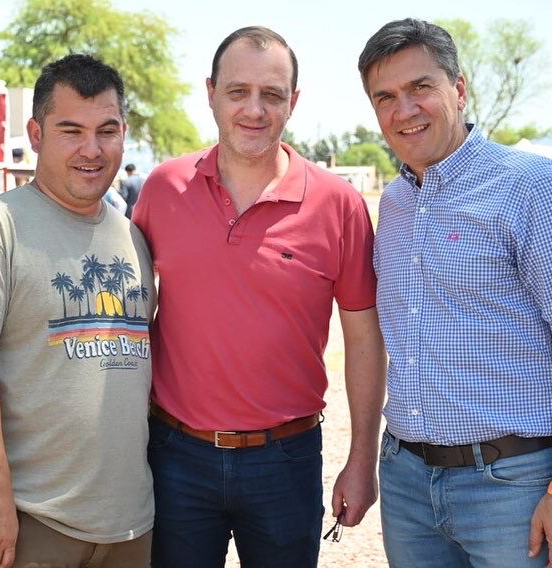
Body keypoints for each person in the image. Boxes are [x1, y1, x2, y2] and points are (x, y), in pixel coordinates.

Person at [132, 26, 386, 567]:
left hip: (285, 460)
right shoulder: (163, 188)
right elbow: (130, 311)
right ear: (210, 93)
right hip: (175, 455)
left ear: (293, 101)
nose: (254, 109)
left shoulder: (339, 205)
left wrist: (362, 458)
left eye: (272, 94)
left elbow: (364, 339)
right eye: (237, 91)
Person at [358, 18, 552, 568]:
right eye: (385, 97)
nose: (404, 110)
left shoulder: (533, 188)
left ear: (458, 89)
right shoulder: (394, 204)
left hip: (513, 487)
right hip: (407, 484)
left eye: (420, 87)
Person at [0, 54, 156, 568]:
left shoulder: (133, 237)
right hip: (34, 518)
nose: (91, 149)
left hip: (131, 522)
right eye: (70, 131)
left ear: (124, 135)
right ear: (36, 135)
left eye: (106, 131)